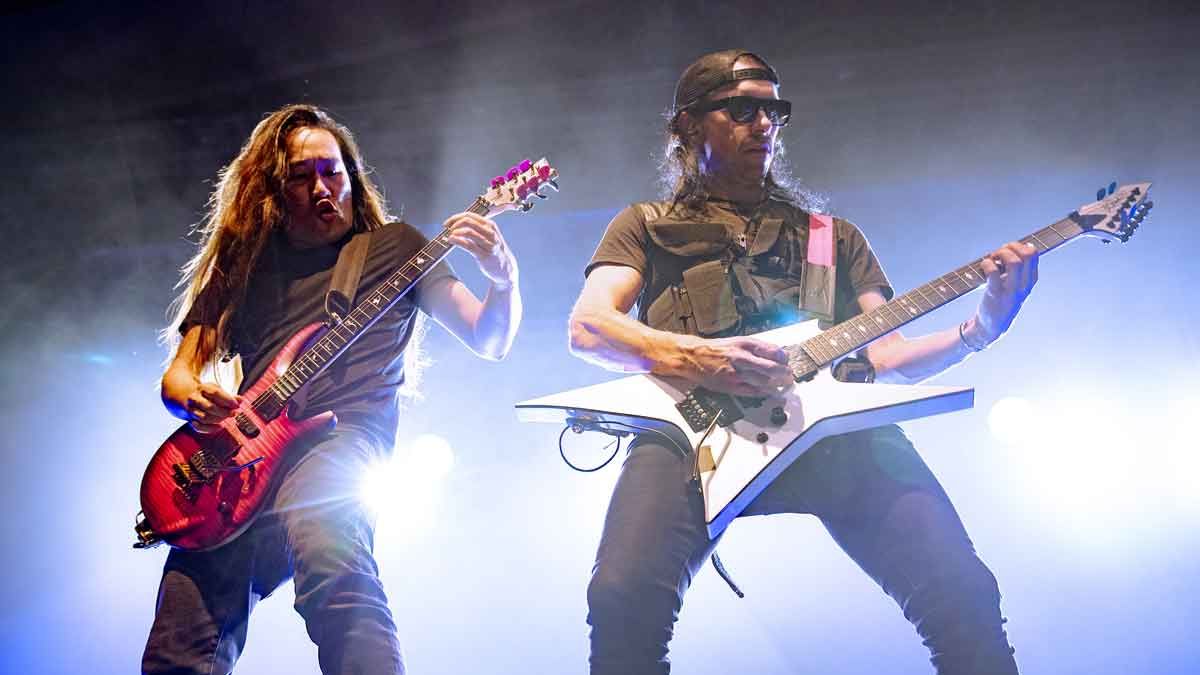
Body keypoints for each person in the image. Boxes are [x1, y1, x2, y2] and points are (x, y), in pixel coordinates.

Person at [567, 49, 1037, 675]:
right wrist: (704, 357)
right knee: (620, 601)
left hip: (835, 433)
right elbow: (590, 326)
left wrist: (984, 325)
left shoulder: (831, 236)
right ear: (686, 126)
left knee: (966, 596)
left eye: (774, 111)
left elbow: (888, 357)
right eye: (742, 110)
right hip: (694, 434)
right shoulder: (644, 225)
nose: (764, 125)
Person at [141, 104, 522, 674]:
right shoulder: (245, 264)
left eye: (333, 171)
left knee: (330, 557)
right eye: (302, 176)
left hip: (339, 443)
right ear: (271, 190)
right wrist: (191, 397)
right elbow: (179, 374)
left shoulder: (396, 249)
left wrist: (503, 276)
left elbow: (487, 337)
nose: (323, 187)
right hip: (236, 460)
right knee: (180, 639)